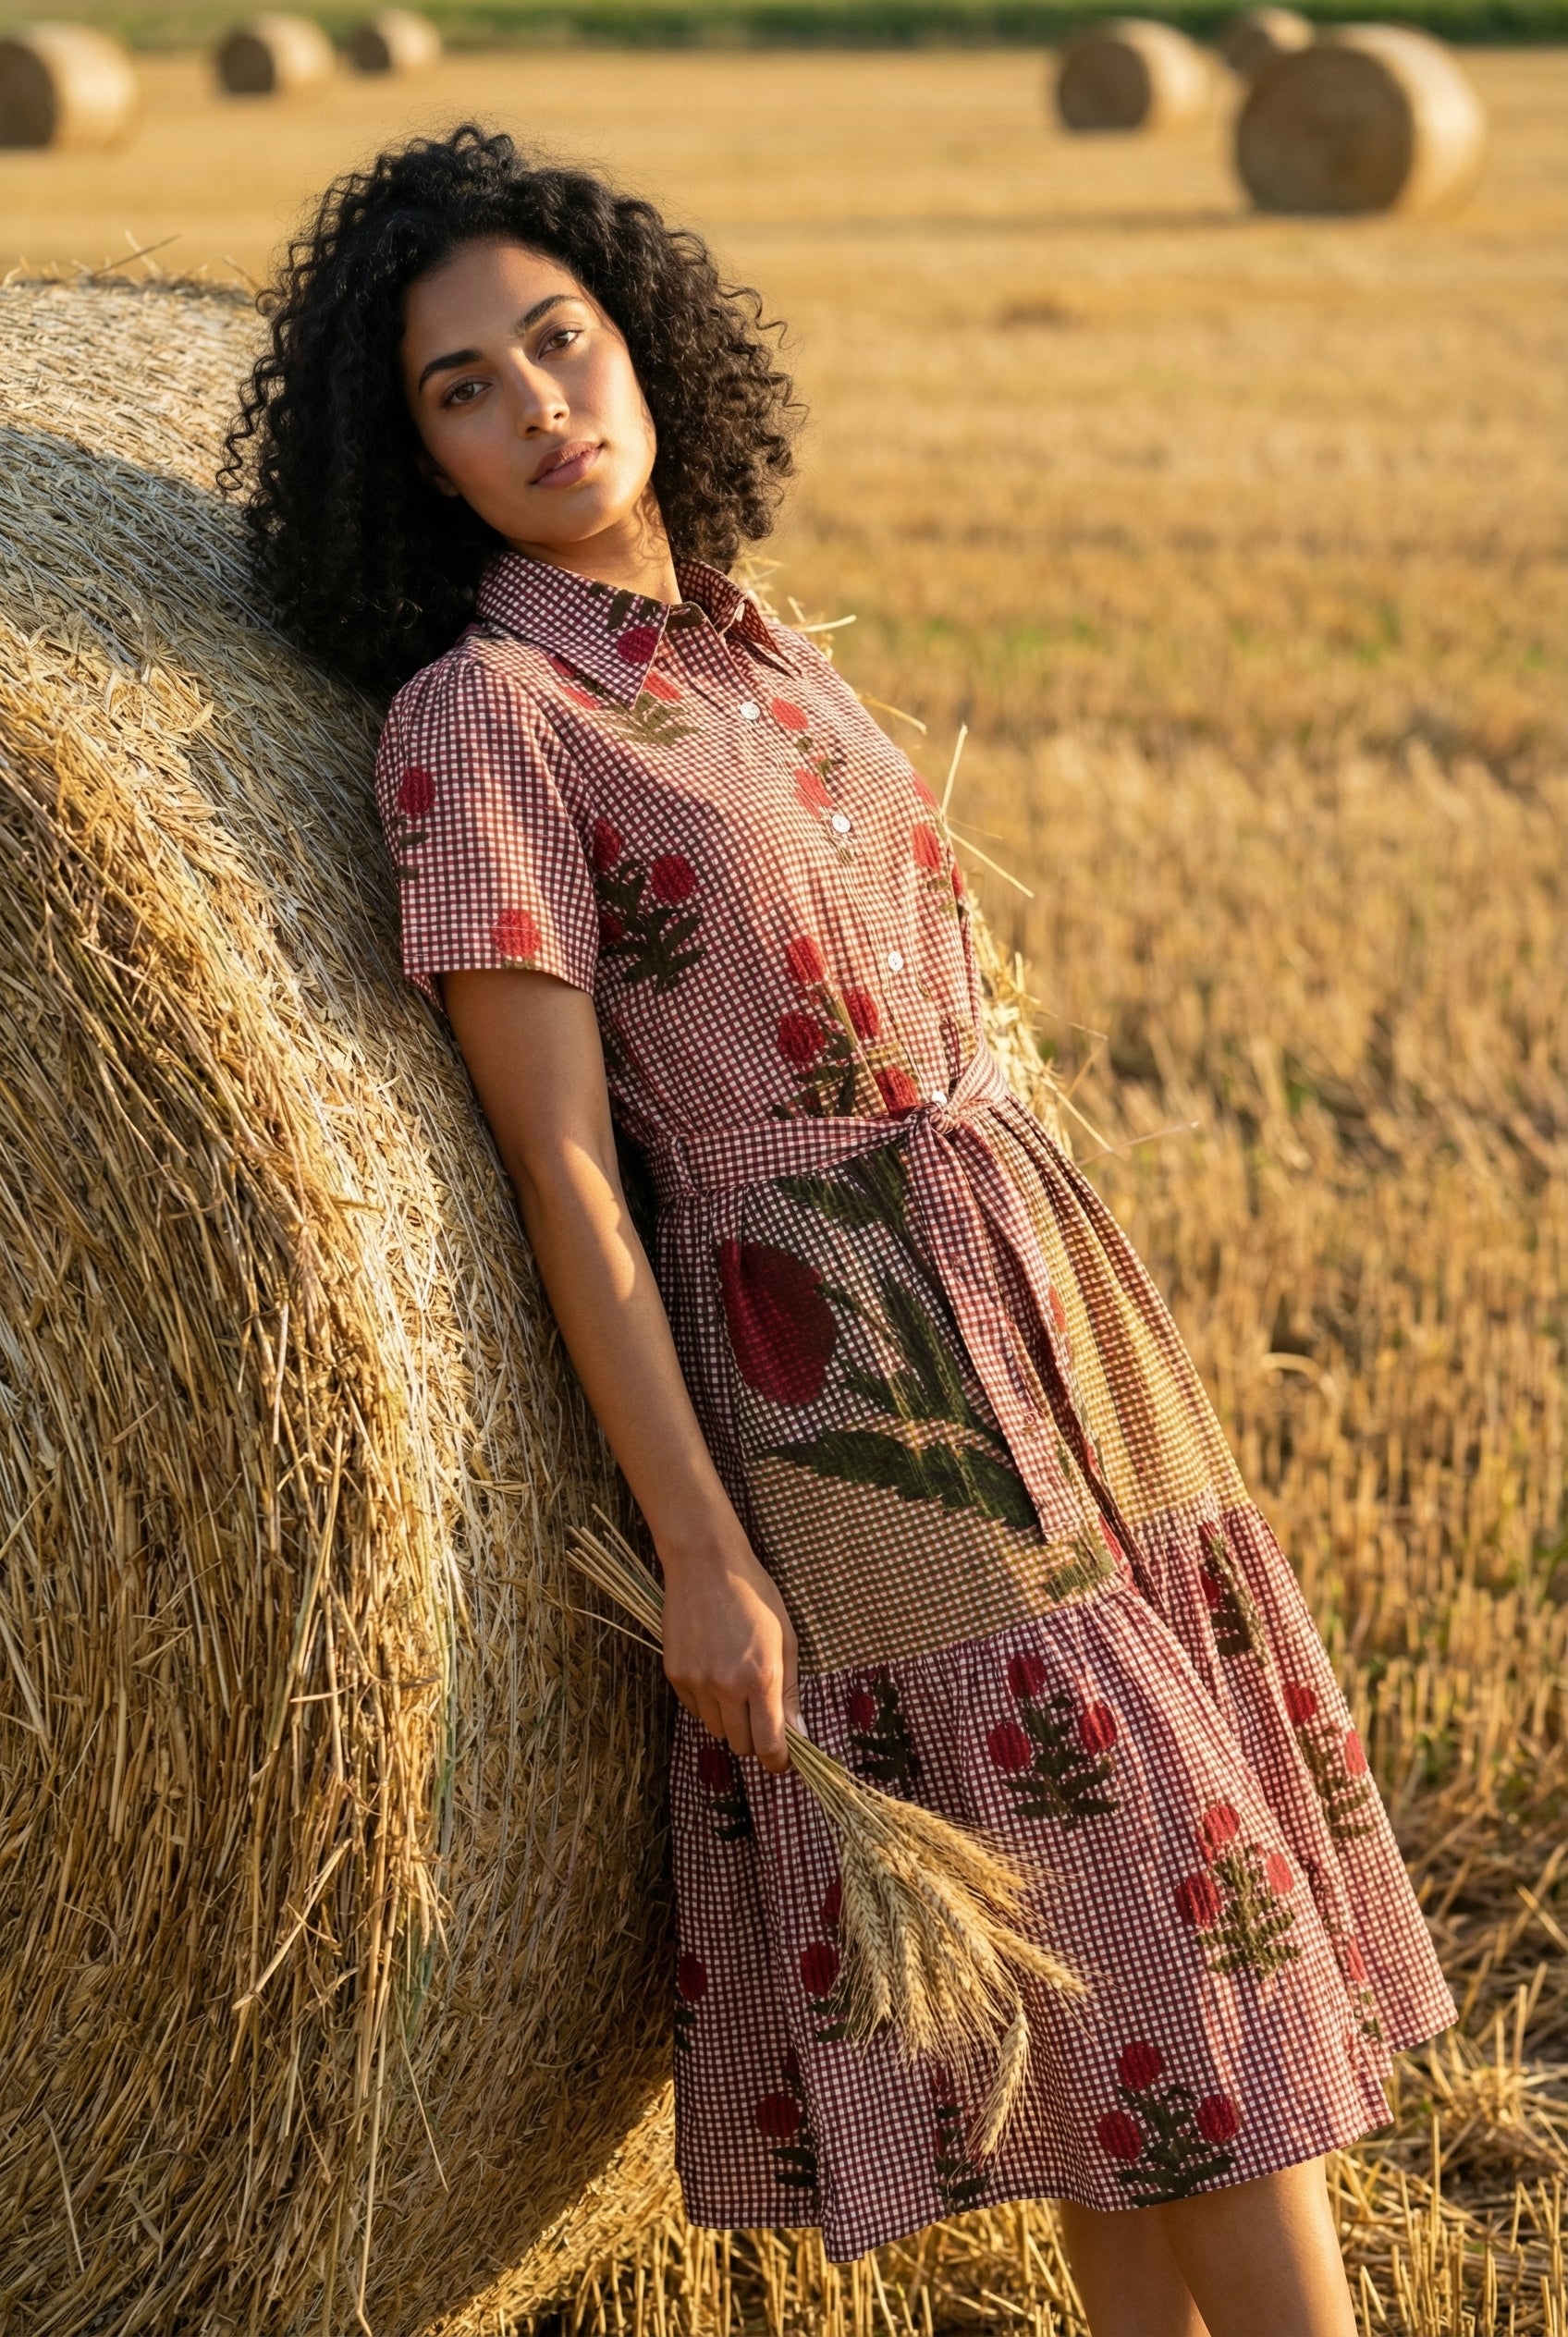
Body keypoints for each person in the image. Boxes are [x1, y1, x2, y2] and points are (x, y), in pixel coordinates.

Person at [227, 124, 1454, 2337]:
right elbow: (567, 1172)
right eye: (462, 391)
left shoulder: (765, 650)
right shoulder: (485, 721)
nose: (538, 408)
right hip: (845, 1379)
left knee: (1123, 2014)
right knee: (1207, 1954)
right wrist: (701, 1549)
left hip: (1046, 1311)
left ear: (641, 344)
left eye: (558, 343)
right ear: (412, 461)